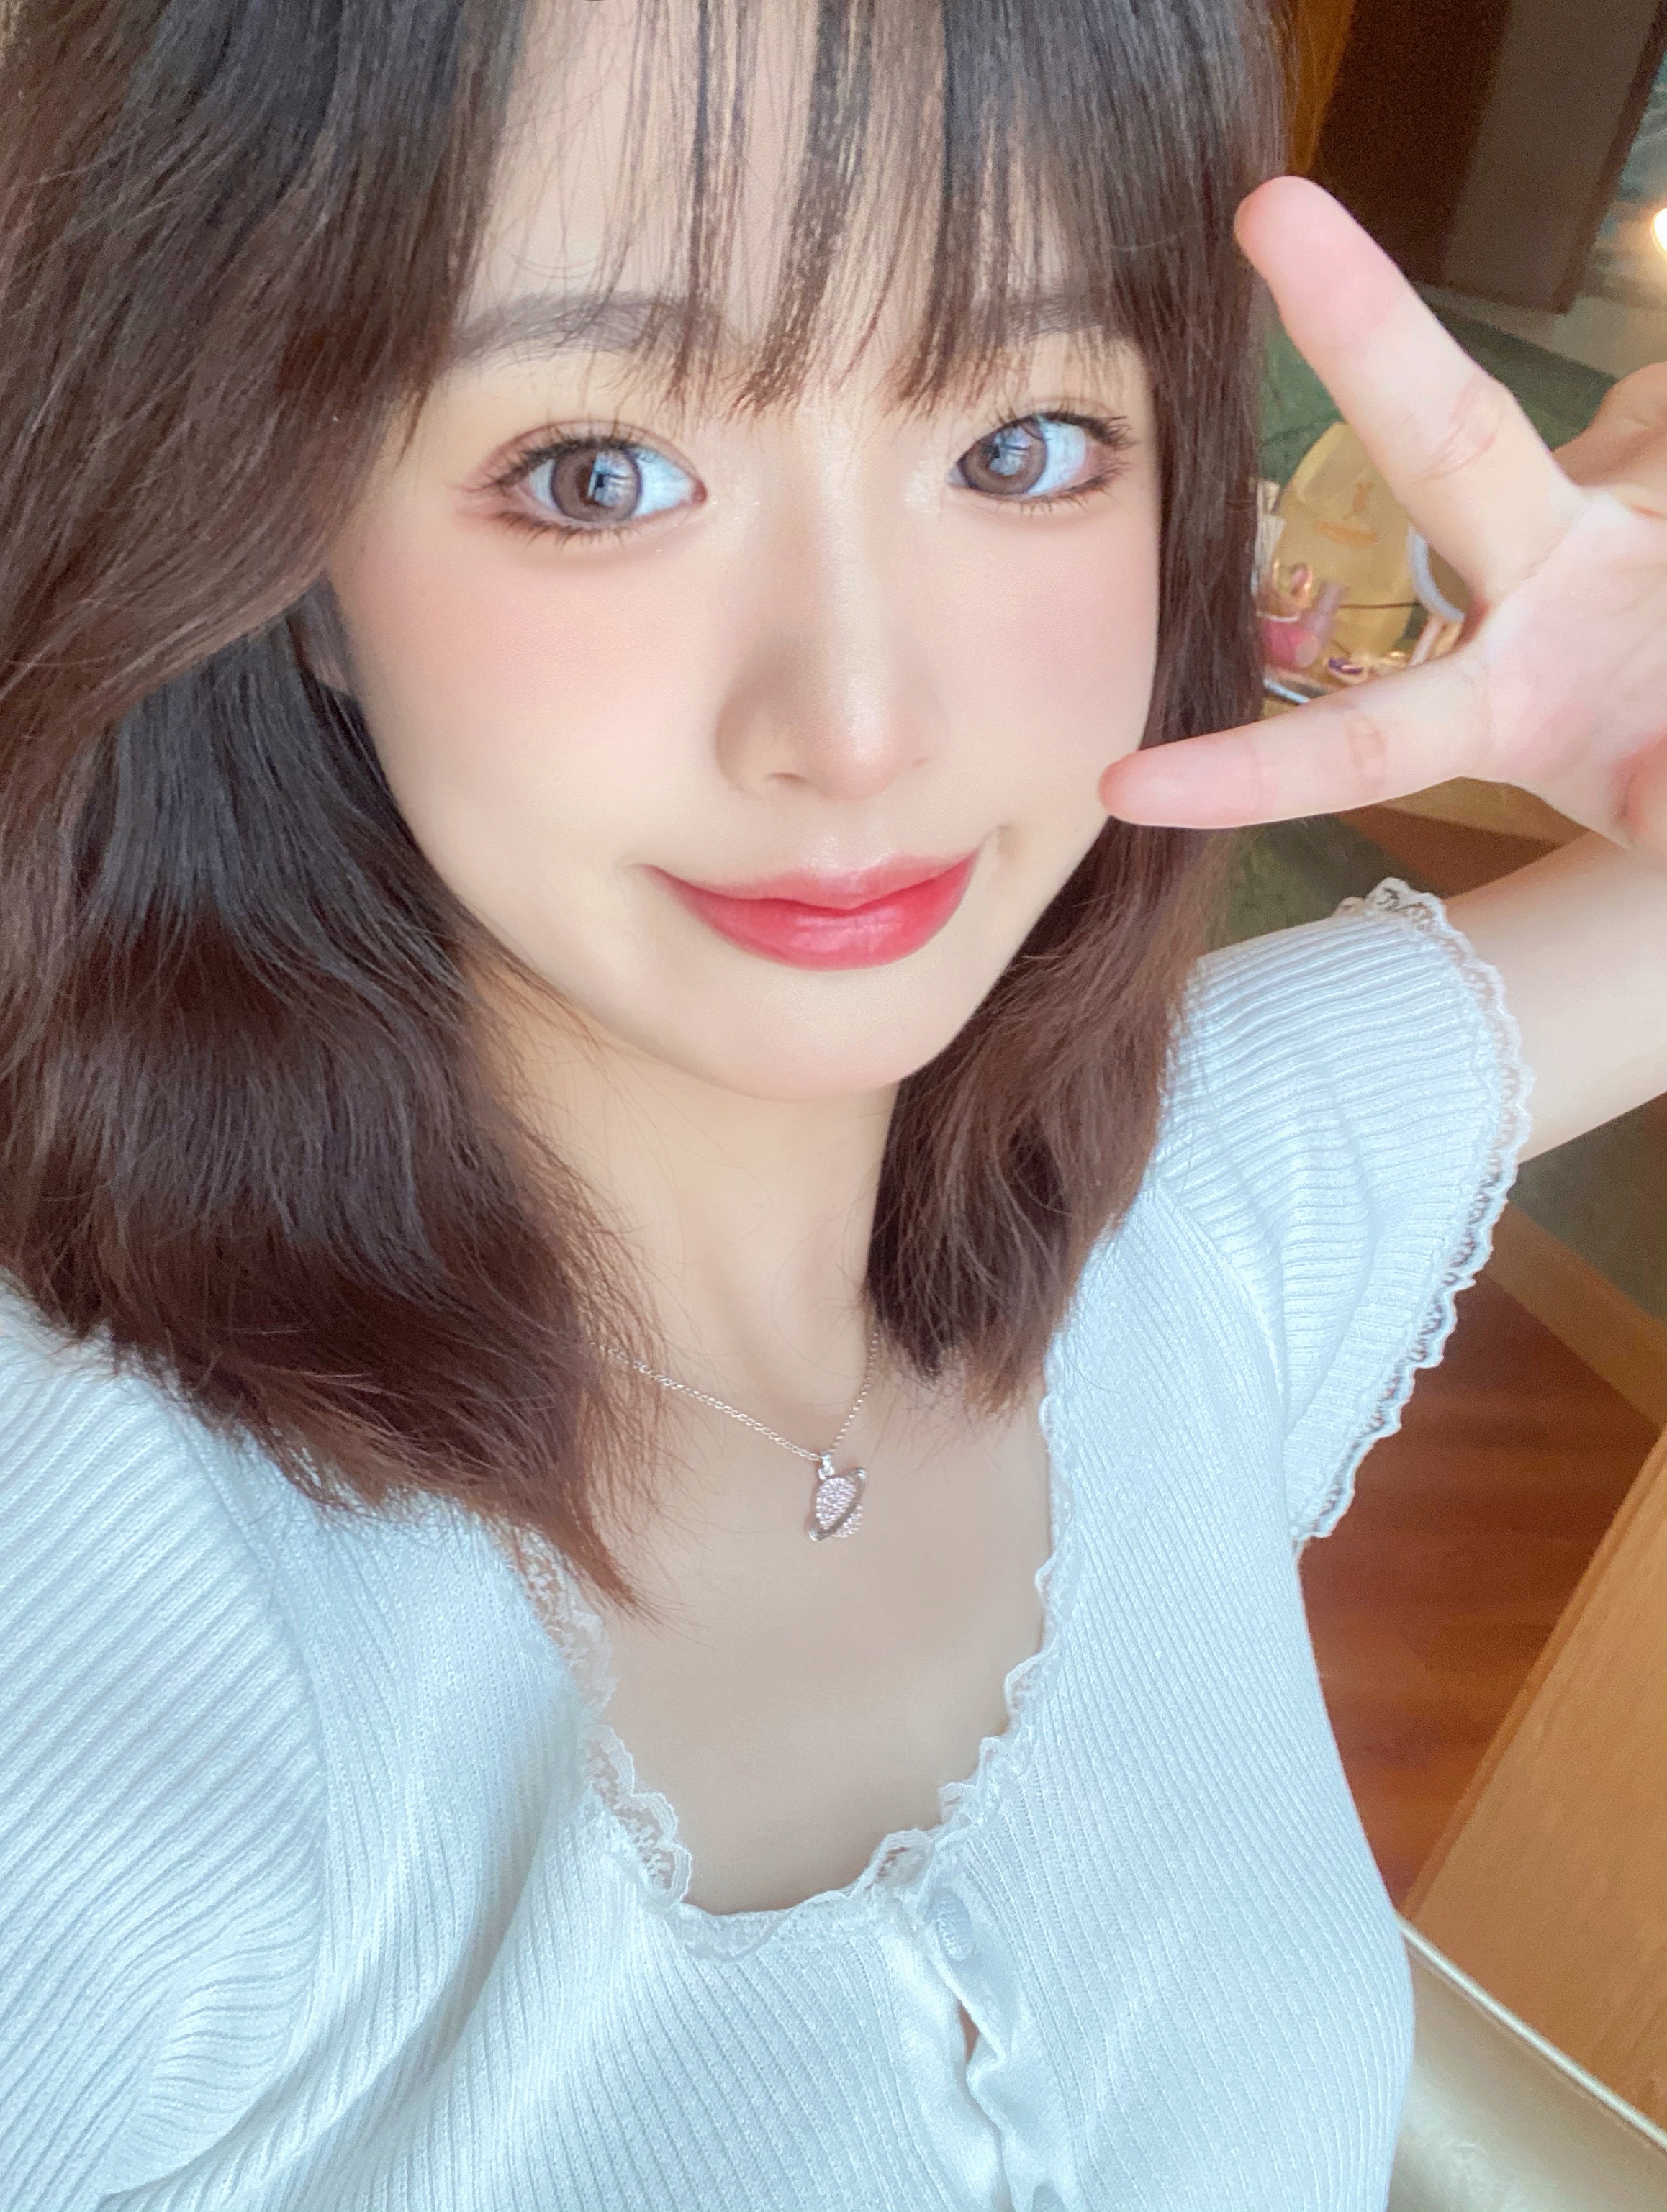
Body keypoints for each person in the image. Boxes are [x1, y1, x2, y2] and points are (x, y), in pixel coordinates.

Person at [1, 1, 1663, 2207]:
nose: (862, 722)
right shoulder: (111, 1605)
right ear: (290, 548)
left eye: (1021, 445)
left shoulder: (1191, 1207)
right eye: (597, 472)